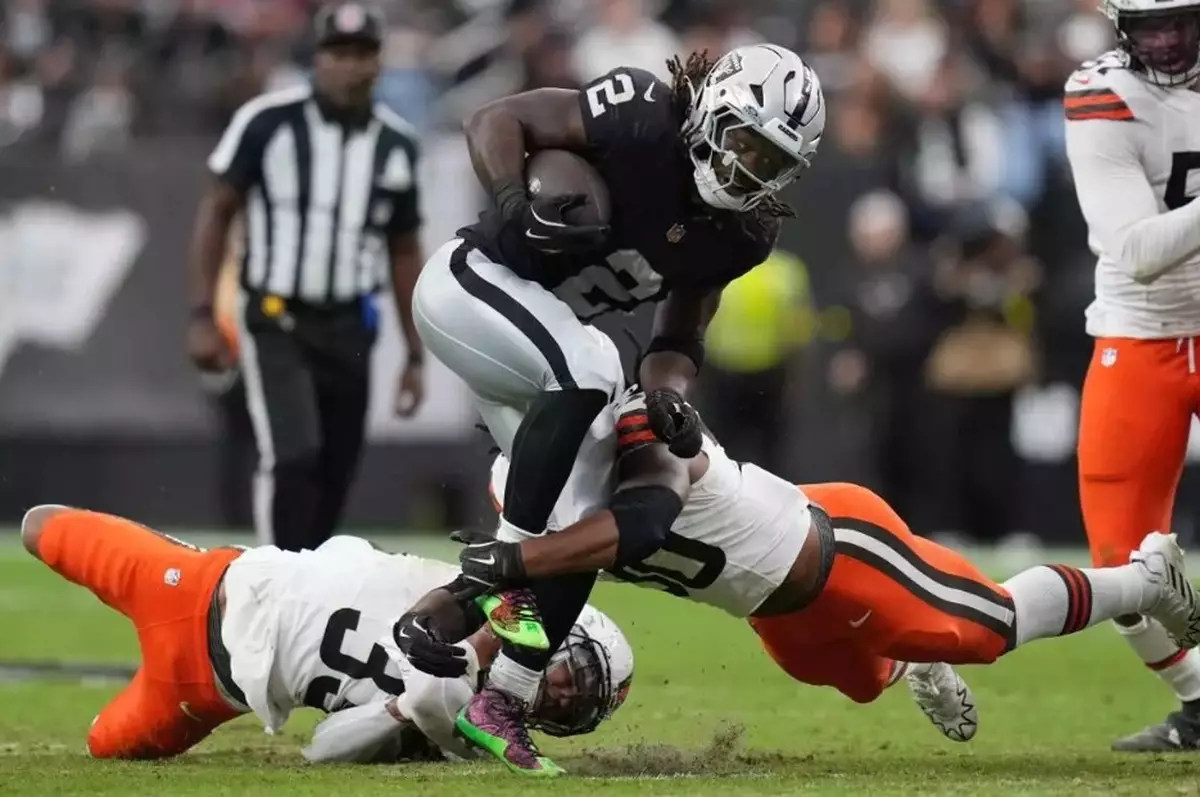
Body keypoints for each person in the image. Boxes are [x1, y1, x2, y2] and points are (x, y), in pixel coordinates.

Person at [407, 43, 825, 775]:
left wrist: (669, 396)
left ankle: (501, 697)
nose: (747, 171)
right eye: (744, 144)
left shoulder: (743, 232)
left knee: (587, 523)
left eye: (770, 161)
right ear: (711, 115)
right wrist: (512, 200)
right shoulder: (640, 116)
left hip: (544, 357)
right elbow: (492, 119)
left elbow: (677, 336)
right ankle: (491, 581)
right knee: (595, 365)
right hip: (474, 288)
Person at [458, 384, 1200, 743]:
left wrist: (514, 560)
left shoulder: (631, 425)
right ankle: (913, 665)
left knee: (987, 627)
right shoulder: (516, 491)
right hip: (765, 603)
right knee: (851, 680)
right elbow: (531, 589)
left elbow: (634, 524)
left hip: (835, 546)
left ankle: (1145, 579)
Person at [18, 505, 632, 763]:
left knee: (104, 747)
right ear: (559, 633)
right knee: (39, 528)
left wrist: (399, 712)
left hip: (207, 688)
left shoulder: (465, 730)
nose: (555, 694)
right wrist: (470, 655)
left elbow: (322, 750)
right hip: (199, 584)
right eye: (569, 675)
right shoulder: (477, 599)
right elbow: (485, 578)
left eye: (571, 707)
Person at [185, 2, 427, 552]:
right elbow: (216, 212)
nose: (349, 66)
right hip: (276, 316)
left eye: (361, 53)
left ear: (378, 62)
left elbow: (404, 250)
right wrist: (201, 314)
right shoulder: (267, 122)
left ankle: (307, 579)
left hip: (351, 325)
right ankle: (275, 578)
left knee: (336, 469)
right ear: (318, 59)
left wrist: (415, 353)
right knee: (292, 455)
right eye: (338, 53)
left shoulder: (396, 145)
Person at [1064, 0, 1200, 750]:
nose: (1171, 41)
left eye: (1185, 21)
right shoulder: (1104, 92)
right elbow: (1136, 250)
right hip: (1139, 330)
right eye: (1152, 28)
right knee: (1121, 565)